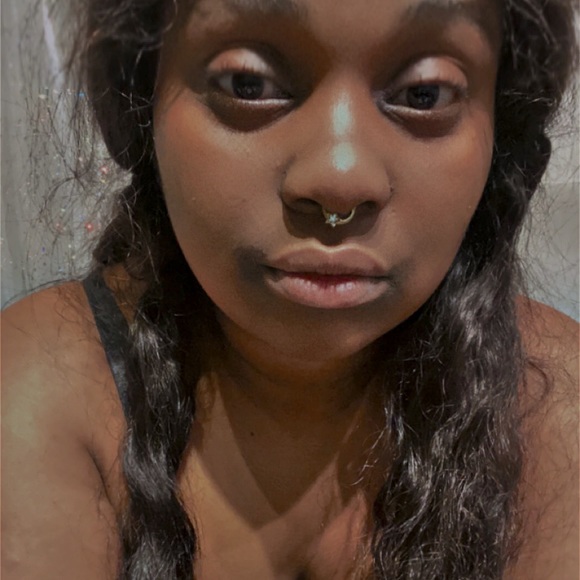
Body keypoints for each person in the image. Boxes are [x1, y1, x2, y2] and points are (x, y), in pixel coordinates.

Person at [2, 0, 578, 578]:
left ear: (505, 130)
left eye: (424, 94)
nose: (339, 180)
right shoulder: (37, 395)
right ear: (136, 101)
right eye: (247, 84)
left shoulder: (554, 404)